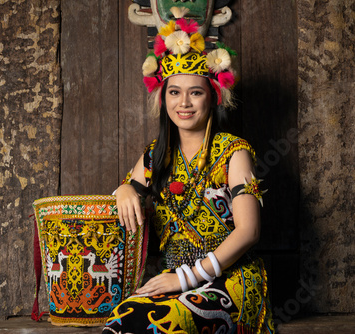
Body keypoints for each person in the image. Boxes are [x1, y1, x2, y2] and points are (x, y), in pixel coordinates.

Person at [102, 18, 275, 334]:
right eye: (174, 92)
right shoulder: (156, 155)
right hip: (173, 279)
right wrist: (124, 189)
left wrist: (186, 278)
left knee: (162, 324)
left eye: (195, 92)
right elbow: (125, 193)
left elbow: (249, 231)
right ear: (162, 97)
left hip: (230, 279)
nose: (183, 103)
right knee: (121, 319)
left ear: (213, 96)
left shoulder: (235, 152)